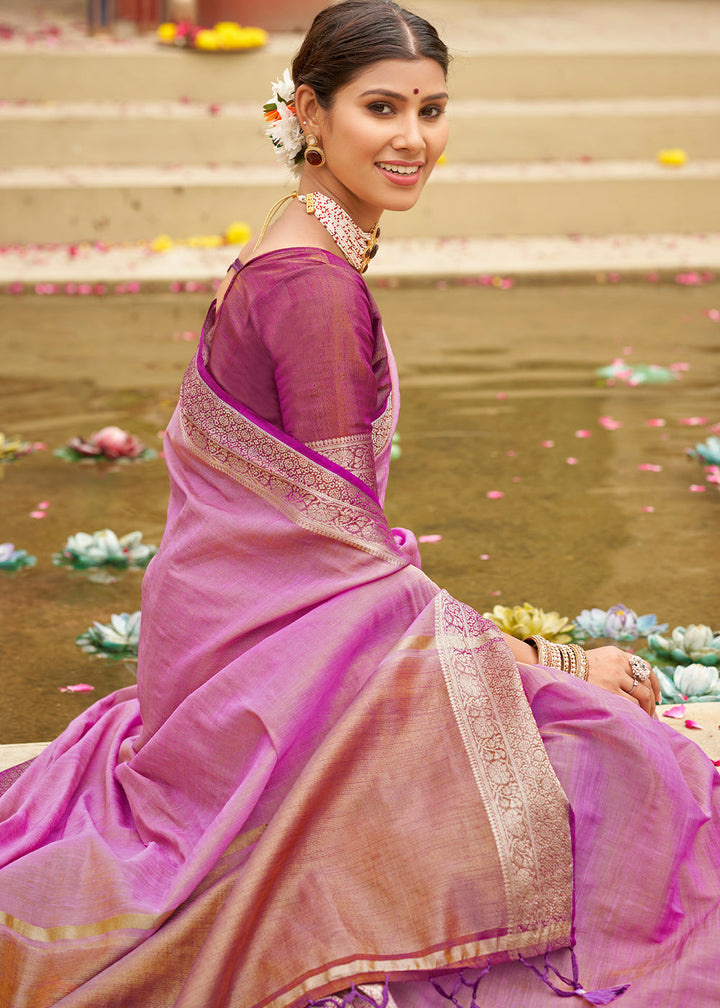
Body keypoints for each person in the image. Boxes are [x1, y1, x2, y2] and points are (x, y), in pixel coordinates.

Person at [0, 2, 718, 1006]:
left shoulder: (294, 250)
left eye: (432, 109)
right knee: (634, 765)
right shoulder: (315, 291)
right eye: (382, 107)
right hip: (272, 677)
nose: (413, 139)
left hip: (227, 646)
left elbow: (332, 558)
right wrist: (564, 662)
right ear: (309, 110)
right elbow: (353, 579)